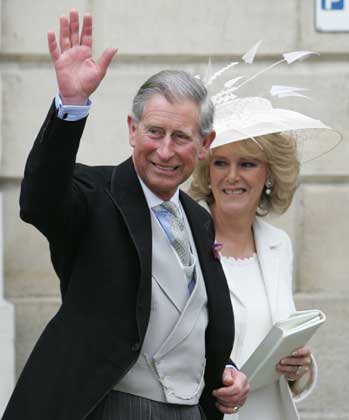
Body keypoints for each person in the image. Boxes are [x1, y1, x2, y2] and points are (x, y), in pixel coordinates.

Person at [1, 9, 249, 420]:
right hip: (113, 406)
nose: (165, 151)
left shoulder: (200, 220)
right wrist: (71, 106)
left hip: (192, 411)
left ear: (205, 144)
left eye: (181, 137)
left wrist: (226, 372)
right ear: (132, 129)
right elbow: (39, 199)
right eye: (154, 132)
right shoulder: (92, 196)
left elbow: (193, 323)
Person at [188, 48, 340, 419]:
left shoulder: (278, 245)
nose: (232, 176)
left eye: (248, 164)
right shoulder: (187, 241)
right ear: (207, 170)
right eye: (221, 162)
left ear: (269, 174)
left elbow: (277, 339)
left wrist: (299, 369)